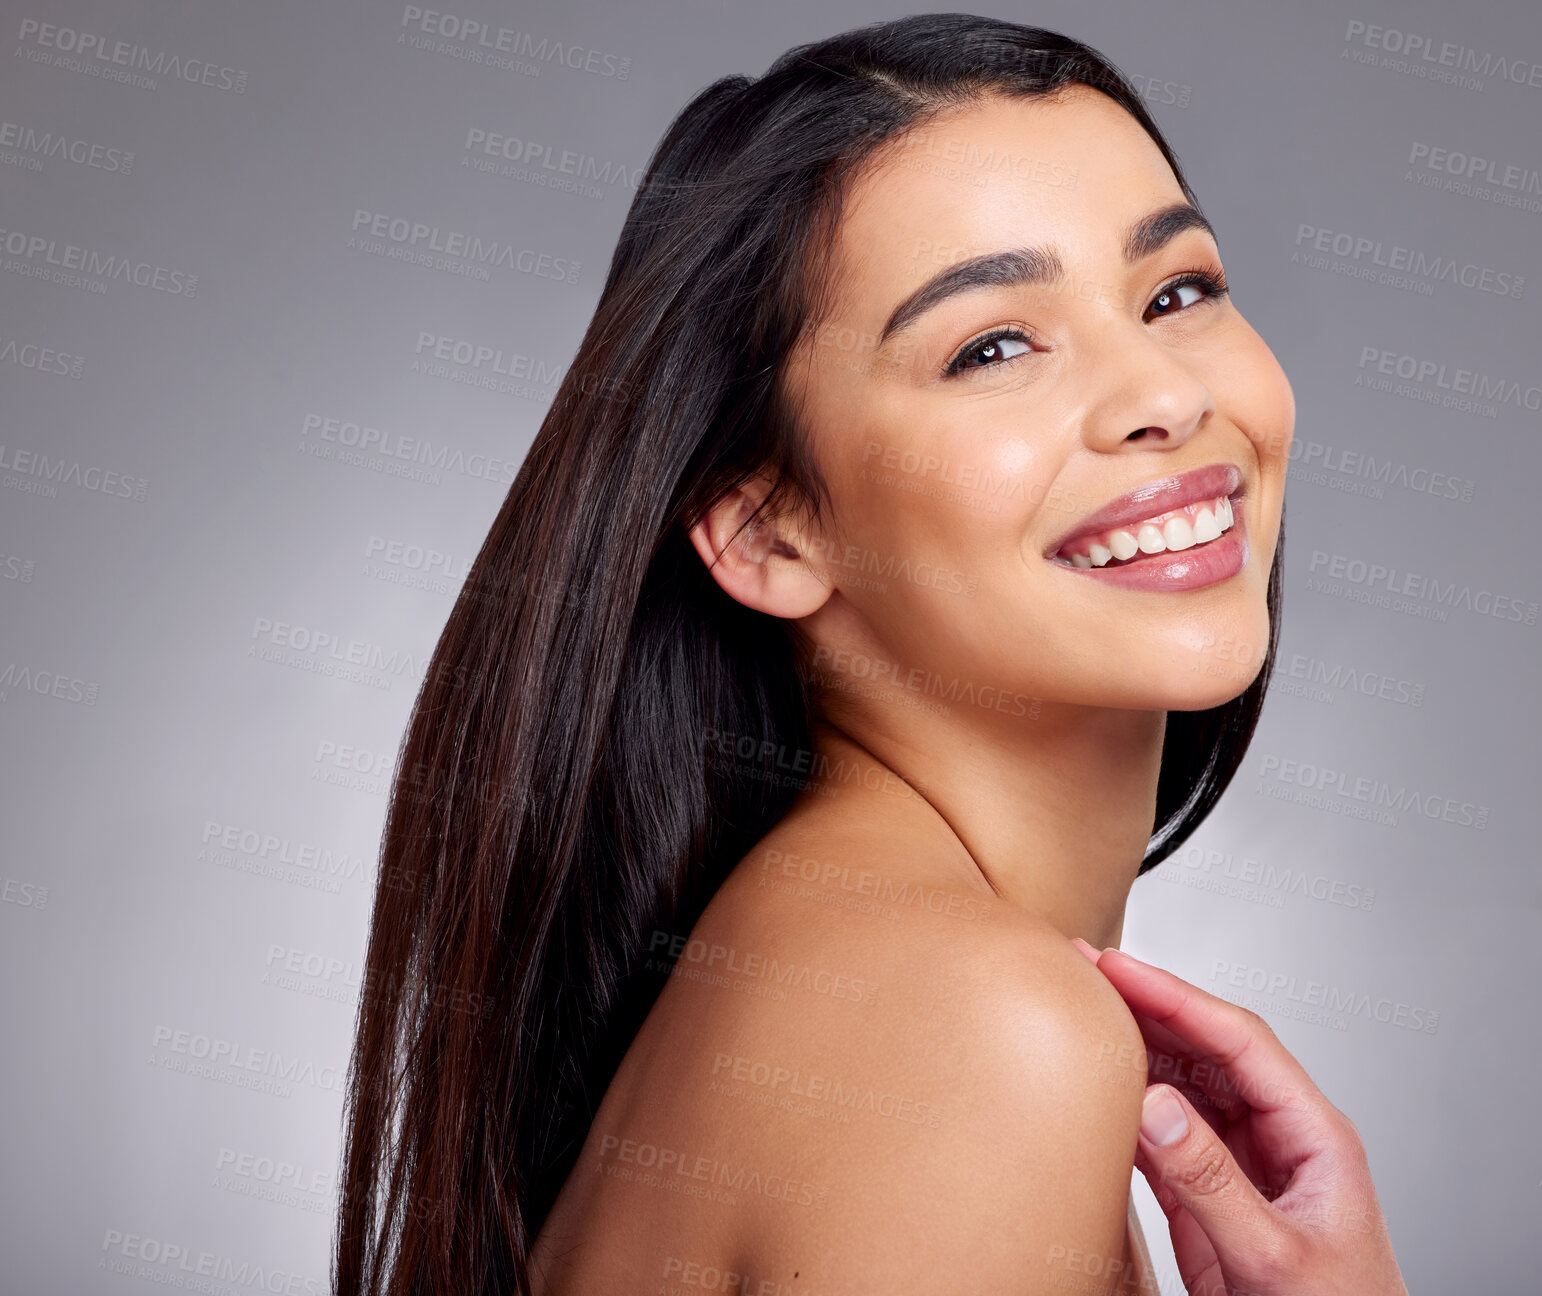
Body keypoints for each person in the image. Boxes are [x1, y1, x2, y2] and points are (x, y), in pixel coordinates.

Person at [332, 14, 1409, 1295]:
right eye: (991, 346)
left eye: (1175, 292)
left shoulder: (833, 974)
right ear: (769, 532)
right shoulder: (972, 1035)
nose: (1164, 398)